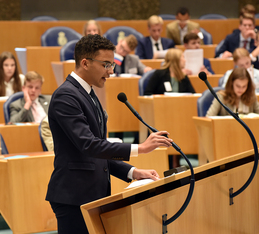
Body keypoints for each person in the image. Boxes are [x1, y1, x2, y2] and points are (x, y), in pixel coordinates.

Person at [45, 34, 173, 234]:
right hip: (73, 196)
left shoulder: (88, 92)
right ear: (85, 63)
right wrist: (140, 148)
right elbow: (89, 145)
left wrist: (132, 172)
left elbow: (98, 150)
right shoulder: (66, 96)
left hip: (92, 194)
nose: (111, 72)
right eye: (106, 65)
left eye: (112, 64)